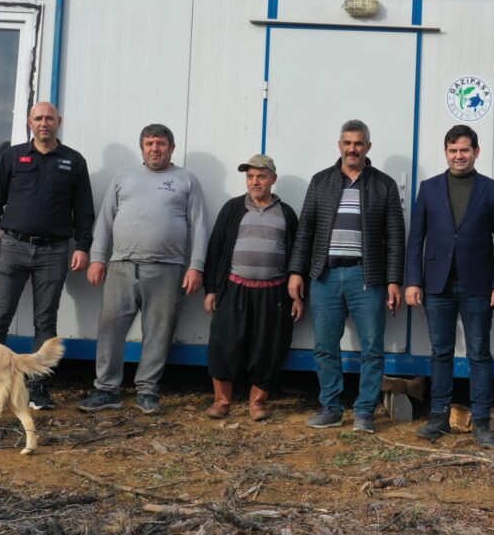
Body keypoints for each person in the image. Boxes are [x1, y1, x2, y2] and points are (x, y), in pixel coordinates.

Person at [78, 124, 208, 415]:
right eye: (149, 143)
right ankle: (106, 389)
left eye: (161, 143)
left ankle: (147, 391)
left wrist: (196, 266)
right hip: (122, 266)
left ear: (171, 148)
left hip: (168, 269)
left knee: (158, 332)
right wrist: (98, 258)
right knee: (110, 329)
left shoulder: (186, 180)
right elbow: (105, 221)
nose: (155, 148)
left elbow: (200, 227)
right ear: (142, 148)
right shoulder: (123, 178)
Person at [288, 119, 405, 434]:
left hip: (366, 277)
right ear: (339, 145)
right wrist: (297, 272)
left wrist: (394, 280)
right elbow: (305, 231)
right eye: (347, 143)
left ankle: (365, 411)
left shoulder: (384, 184)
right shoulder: (321, 181)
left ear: (368, 146)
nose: (353, 149)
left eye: (359, 143)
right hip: (325, 276)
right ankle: (332, 407)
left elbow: (395, 236)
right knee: (325, 346)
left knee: (372, 347)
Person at [0, 101, 95, 410]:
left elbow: (84, 211)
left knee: (46, 321)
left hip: (55, 250)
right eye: (38, 118)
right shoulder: (13, 156)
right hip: (12, 247)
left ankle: (38, 388)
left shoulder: (73, 161)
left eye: (50, 118)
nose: (44, 123)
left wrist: (83, 246)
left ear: (59, 121)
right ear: (30, 122)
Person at [405, 125, 494, 449]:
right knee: (441, 353)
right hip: (437, 284)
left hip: (478, 285)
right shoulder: (429, 188)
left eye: (464, 150)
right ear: (446, 152)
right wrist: (413, 280)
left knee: (479, 354)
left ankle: (480, 422)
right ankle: (439, 416)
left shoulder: (492, 190)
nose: (458, 155)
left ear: (476, 152)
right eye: (452, 150)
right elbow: (416, 239)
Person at [202, 155, 302, 421]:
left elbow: (297, 255)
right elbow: (216, 249)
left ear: (273, 179)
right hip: (234, 288)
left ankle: (257, 404)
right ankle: (222, 401)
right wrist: (211, 289)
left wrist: (299, 296)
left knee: (268, 346)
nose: (255, 181)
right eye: (250, 176)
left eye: (261, 176)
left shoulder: (287, 213)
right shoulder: (233, 208)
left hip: (275, 292)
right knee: (223, 343)